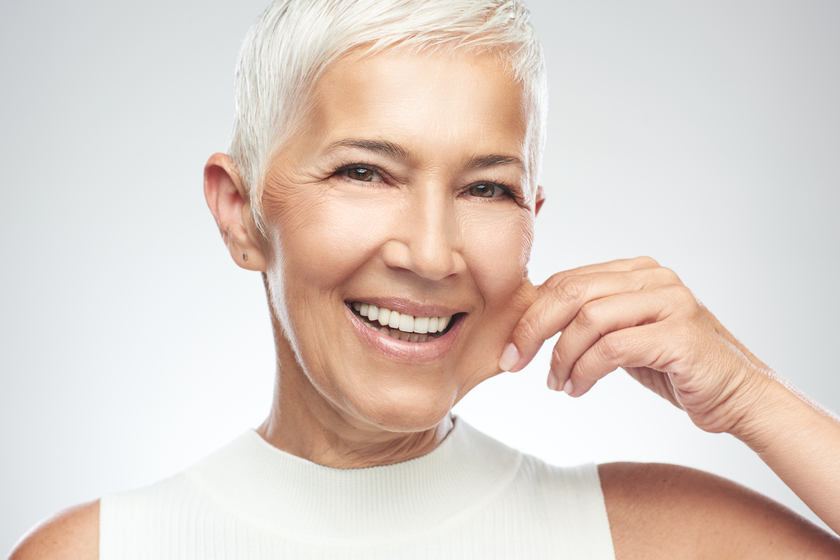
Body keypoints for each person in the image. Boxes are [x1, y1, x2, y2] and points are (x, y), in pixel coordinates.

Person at [10, 0, 840, 558]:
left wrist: (752, 398)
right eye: (365, 173)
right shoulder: (99, 551)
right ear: (240, 214)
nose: (433, 254)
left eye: (486, 188)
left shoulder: (646, 538)